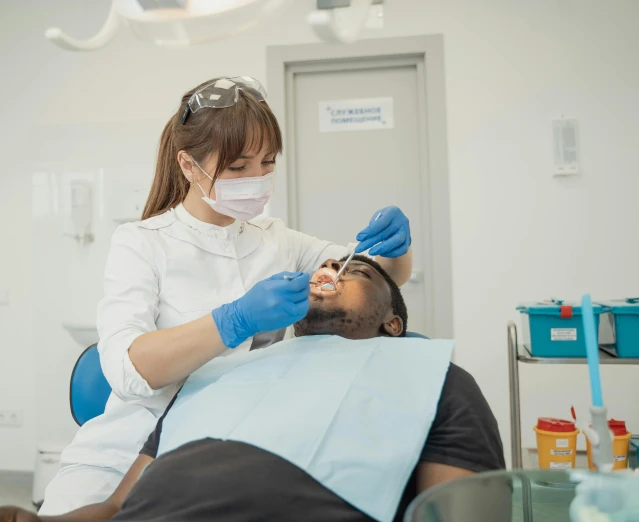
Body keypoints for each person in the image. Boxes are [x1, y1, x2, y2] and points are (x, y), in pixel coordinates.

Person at [38, 76, 415, 515]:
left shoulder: (276, 239)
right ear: (188, 165)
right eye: (238, 168)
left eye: (268, 162)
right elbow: (127, 368)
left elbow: (375, 276)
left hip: (234, 446)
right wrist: (231, 321)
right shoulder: (141, 242)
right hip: (125, 449)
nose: (257, 178)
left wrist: (398, 248)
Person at [0, 256, 505, 522]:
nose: (331, 268)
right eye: (327, 264)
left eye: (356, 268)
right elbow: (114, 510)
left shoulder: (433, 377)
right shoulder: (217, 372)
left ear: (393, 323)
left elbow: (455, 512)